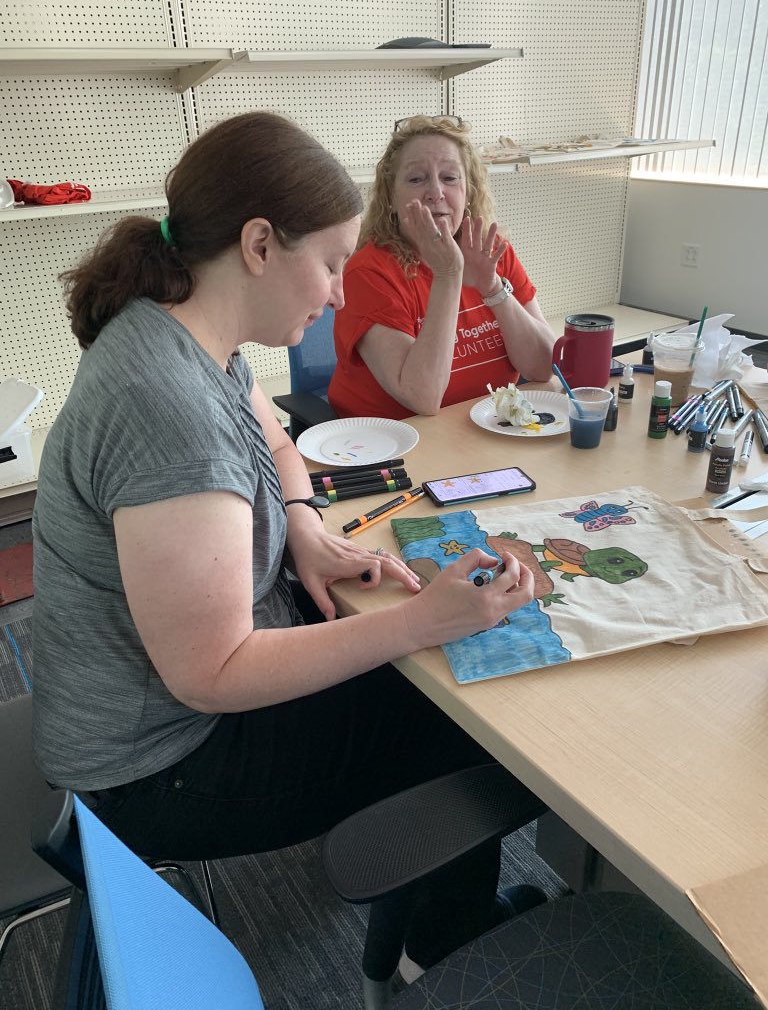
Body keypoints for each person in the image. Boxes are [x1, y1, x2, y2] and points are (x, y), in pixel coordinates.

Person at [31, 111, 546, 973]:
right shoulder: (169, 407)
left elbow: (274, 440)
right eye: (334, 263)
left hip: (157, 713)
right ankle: (438, 949)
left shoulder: (195, 331)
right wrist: (421, 625)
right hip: (159, 765)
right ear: (261, 245)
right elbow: (214, 673)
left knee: (424, 672)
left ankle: (417, 890)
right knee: (469, 722)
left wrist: (303, 527)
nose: (342, 292)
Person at [328, 114, 556, 419]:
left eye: (450, 178)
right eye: (416, 179)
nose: (435, 192)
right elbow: (422, 397)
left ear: (468, 192)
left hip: (487, 428)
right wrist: (449, 274)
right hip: (395, 445)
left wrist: (492, 288)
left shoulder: (493, 252)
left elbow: (544, 368)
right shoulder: (367, 274)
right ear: (391, 198)